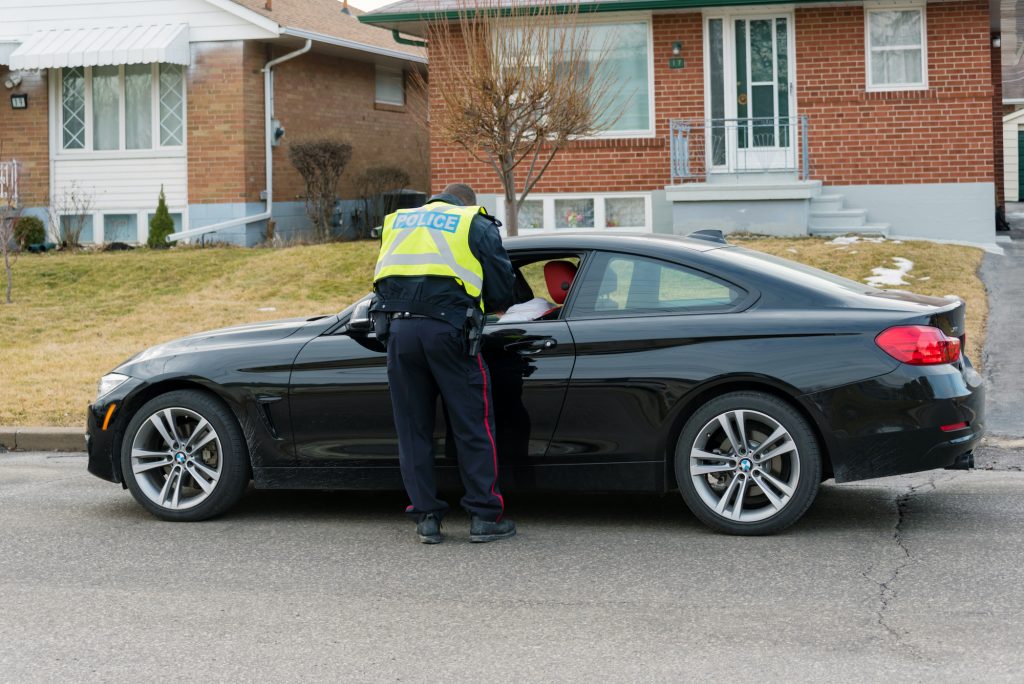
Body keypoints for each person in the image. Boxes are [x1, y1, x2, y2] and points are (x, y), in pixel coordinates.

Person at [371, 183, 517, 544]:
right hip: (449, 332)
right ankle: (484, 516)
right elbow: (501, 290)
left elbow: (384, 281)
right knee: (472, 424)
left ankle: (426, 519)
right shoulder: (471, 220)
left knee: (413, 428)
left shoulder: (399, 221)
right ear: (467, 202)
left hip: (401, 334)